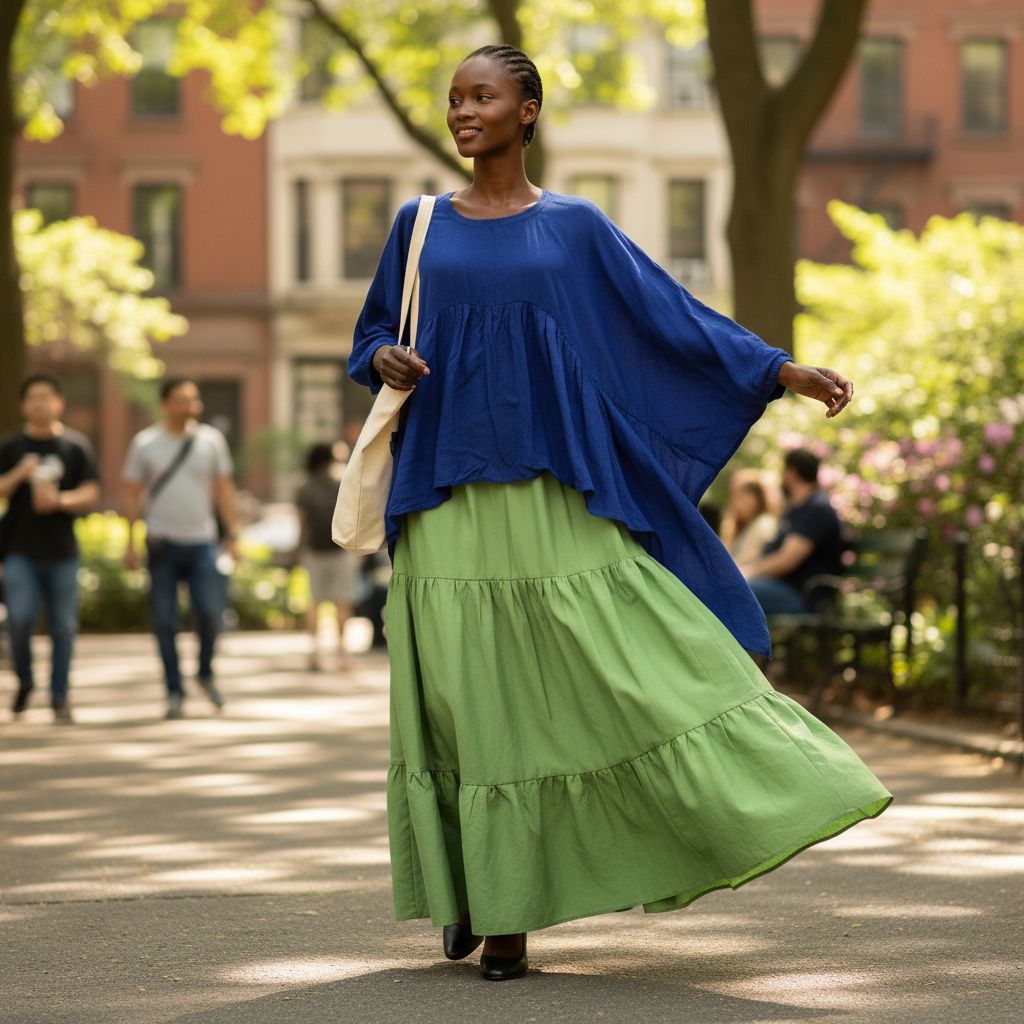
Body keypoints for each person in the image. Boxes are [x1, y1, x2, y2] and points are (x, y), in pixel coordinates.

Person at [349, 44, 891, 981]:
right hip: (440, 495)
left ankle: (746, 794)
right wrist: (381, 361)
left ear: (528, 111)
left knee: (612, 665)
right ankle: (482, 894)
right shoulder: (420, 226)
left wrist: (777, 369)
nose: (463, 111)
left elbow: (667, 318)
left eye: (483, 97)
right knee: (463, 698)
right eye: (454, 99)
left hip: (556, 494)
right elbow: (371, 337)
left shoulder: (577, 229)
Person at [122, 378, 239, 720]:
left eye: (193, 400)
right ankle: (174, 691)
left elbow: (223, 490)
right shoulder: (145, 444)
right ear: (164, 404)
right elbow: (131, 493)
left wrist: (232, 533)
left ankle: (205, 673)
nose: (189, 406)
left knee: (211, 614)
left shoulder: (210, 441)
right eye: (180, 400)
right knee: (164, 620)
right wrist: (130, 540)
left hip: (202, 542)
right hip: (161, 543)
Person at [0, 375, 100, 723]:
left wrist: (60, 500)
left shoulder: (75, 447)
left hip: (62, 552)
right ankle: (25, 681)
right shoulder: (10, 447)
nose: (40, 403)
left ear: (59, 402)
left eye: (46, 397)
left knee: (63, 627)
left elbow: (90, 491)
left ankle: (60, 695)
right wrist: (19, 473)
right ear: (24, 405)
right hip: (18, 550)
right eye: (33, 398)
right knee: (21, 619)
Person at [744, 449, 844, 615]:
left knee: (733, 589)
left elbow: (786, 560)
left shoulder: (816, 510)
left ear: (791, 474)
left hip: (801, 596)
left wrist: (746, 573)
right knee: (731, 586)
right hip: (781, 588)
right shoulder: (797, 509)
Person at [293, 443, 360, 671]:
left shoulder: (304, 486)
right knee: (343, 603)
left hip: (314, 551)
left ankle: (314, 653)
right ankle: (343, 655)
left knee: (315, 602)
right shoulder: (340, 482)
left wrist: (298, 551)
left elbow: (301, 523)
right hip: (340, 550)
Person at [721, 469, 779, 571]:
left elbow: (749, 562)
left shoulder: (764, 524)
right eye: (734, 497)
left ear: (757, 499)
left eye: (743, 497)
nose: (736, 503)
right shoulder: (741, 526)